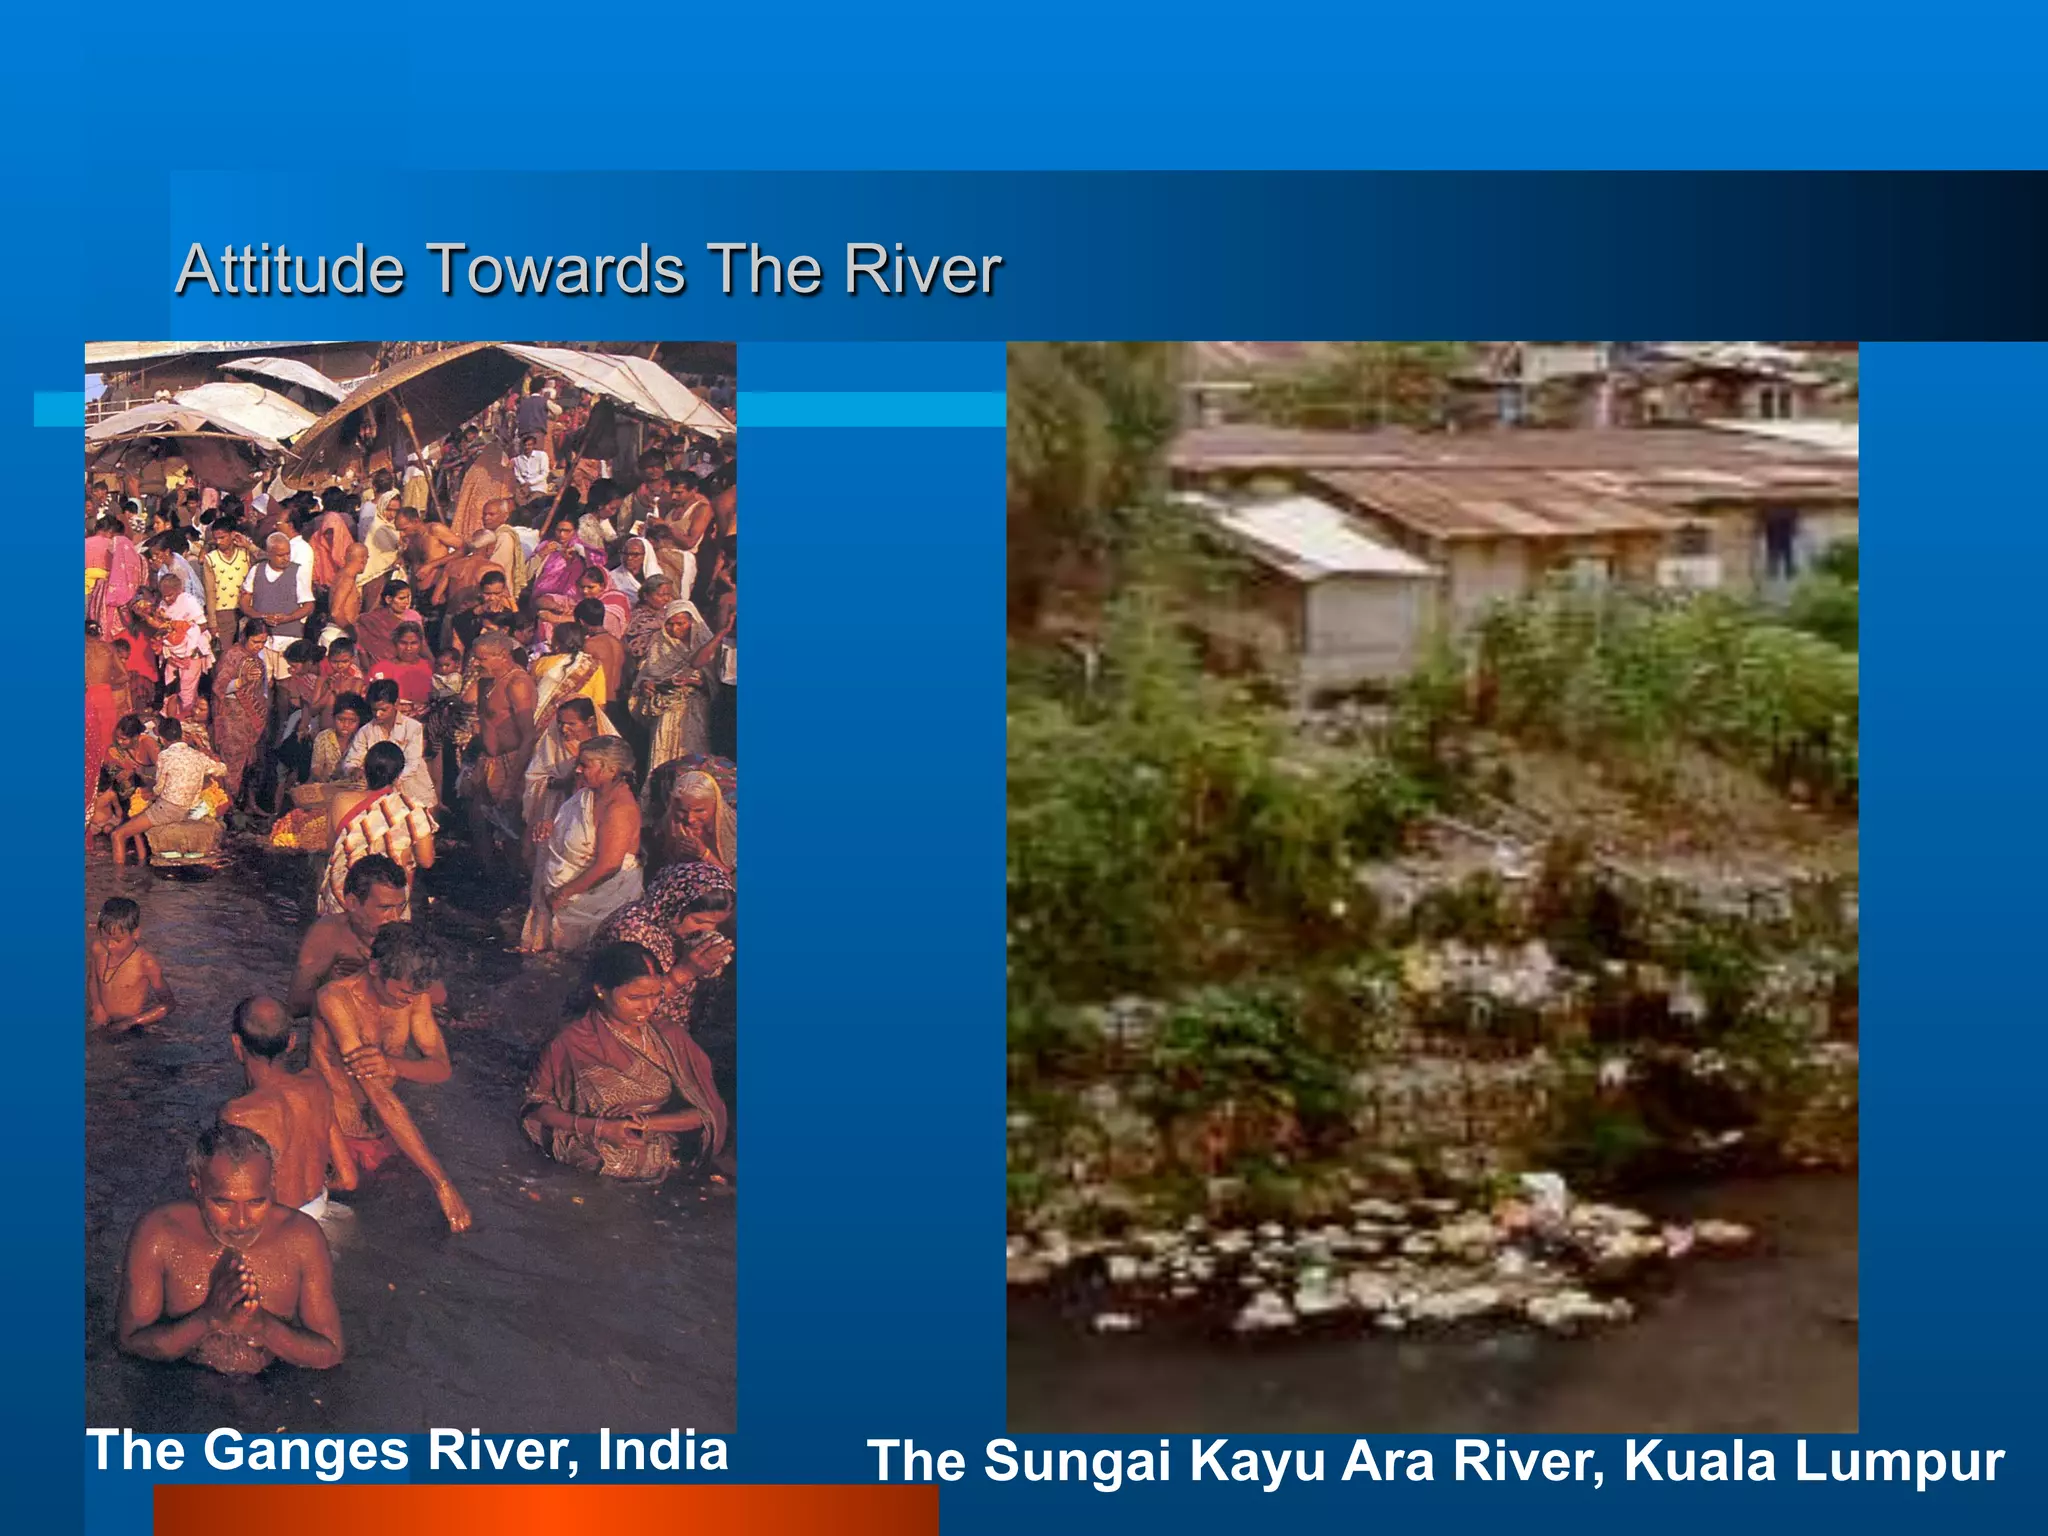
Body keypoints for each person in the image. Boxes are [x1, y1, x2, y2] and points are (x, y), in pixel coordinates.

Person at [115, 1122, 343, 1375]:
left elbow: (330, 1353)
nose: (242, 1221)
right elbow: (129, 1342)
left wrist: (262, 1327)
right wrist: (208, 1320)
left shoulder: (302, 1236)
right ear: (196, 1186)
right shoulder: (159, 1232)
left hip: (276, 1385)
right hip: (179, 1382)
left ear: (272, 1184)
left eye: (257, 1202)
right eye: (223, 1203)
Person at [312, 923, 472, 1232]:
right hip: (336, 1137)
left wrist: (394, 1065)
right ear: (374, 968)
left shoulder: (414, 997)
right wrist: (442, 1182)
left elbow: (441, 1067)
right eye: (403, 993)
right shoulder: (335, 1000)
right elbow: (380, 1096)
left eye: (416, 994)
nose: (409, 1001)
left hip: (382, 1134)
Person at [520, 941, 725, 1181]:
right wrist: (600, 1128)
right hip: (592, 1165)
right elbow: (535, 1109)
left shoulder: (670, 1037)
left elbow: (705, 1113)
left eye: (657, 994)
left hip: (667, 1161)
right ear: (600, 990)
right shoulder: (570, 1042)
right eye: (635, 997)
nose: (649, 1007)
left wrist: (646, 1124)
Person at [220, 996, 343, 1216]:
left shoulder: (238, 1114)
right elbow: (348, 1178)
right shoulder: (317, 1085)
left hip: (281, 1230)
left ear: (236, 1043)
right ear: (292, 1041)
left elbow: (236, 1201)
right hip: (322, 1209)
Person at [520, 737, 644, 954]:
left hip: (600, 902)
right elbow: (578, 825)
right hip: (566, 896)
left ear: (611, 770)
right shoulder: (588, 795)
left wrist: (563, 894)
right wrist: (553, 826)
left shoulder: (620, 809)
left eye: (585, 765)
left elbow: (608, 866)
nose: (577, 770)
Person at [594, 859, 735, 1043]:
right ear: (674, 905)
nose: (709, 930)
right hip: (627, 1031)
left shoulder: (679, 930)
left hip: (670, 1026)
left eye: (716, 924)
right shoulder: (632, 931)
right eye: (700, 921)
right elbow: (633, 1003)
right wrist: (687, 971)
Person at [319, 740, 437, 918]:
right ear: (398, 775)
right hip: (388, 901)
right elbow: (427, 860)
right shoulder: (411, 810)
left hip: (343, 896)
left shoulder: (340, 800)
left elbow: (330, 847)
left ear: (365, 771)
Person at [287, 853, 408, 1014]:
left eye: (400, 907)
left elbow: (438, 996)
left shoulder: (404, 935)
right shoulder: (330, 934)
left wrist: (368, 977)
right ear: (352, 903)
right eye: (384, 908)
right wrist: (339, 987)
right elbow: (295, 1005)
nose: (395, 917)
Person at [459, 631, 537, 860]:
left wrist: (511, 782)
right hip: (486, 760)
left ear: (503, 656)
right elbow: (466, 700)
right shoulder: (487, 680)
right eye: (475, 657)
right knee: (478, 820)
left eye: (481, 658)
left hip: (510, 761)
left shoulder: (517, 683)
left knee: (510, 827)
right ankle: (488, 877)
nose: (475, 663)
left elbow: (529, 736)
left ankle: (513, 883)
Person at [630, 599, 723, 775]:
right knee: (663, 754)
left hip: (695, 711)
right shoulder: (659, 644)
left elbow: (714, 683)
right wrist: (647, 685)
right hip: (666, 711)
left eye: (680, 623)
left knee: (693, 754)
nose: (674, 629)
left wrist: (694, 682)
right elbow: (645, 676)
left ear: (692, 622)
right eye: (670, 624)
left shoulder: (705, 644)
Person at [113, 717, 223, 866]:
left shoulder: (165, 756)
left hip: (169, 809)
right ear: (180, 734)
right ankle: (142, 859)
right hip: (192, 808)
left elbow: (159, 788)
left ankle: (119, 881)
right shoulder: (198, 756)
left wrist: (151, 791)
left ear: (163, 739)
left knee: (118, 835)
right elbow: (222, 769)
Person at [339, 678, 437, 808]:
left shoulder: (413, 728)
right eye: (374, 710)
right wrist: (353, 770)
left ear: (396, 703)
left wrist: (389, 783)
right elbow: (352, 759)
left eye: (383, 709)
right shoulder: (365, 731)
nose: (378, 714)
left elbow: (412, 764)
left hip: (413, 793)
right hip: (378, 797)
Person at [87, 896, 174, 1030]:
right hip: (102, 1020)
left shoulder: (145, 963)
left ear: (135, 934)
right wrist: (97, 1005)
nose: (110, 945)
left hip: (131, 1027)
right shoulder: (98, 948)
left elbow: (168, 1004)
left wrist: (130, 1023)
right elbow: (93, 979)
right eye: (105, 938)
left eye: (117, 940)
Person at [211, 618, 273, 802]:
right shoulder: (233, 656)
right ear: (245, 637)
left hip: (249, 720)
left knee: (249, 762)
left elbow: (261, 691)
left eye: (263, 642)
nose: (259, 646)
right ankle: (226, 805)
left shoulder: (257, 659)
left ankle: (243, 805)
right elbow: (219, 687)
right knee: (231, 762)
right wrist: (242, 681)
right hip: (232, 718)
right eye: (256, 642)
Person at [239, 533, 315, 656]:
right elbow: (244, 602)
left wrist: (288, 618)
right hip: (260, 641)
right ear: (269, 554)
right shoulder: (256, 570)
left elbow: (308, 605)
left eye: (288, 554)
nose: (286, 558)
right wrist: (261, 617)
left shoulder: (298, 572)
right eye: (281, 555)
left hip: (289, 639)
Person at [86, 631, 123, 830]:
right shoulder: (107, 648)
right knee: (105, 749)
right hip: (104, 696)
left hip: (86, 698)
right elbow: (123, 676)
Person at [354, 578, 424, 667]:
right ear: (388, 599)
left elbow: (422, 645)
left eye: (408, 597)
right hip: (381, 669)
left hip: (409, 667)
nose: (406, 602)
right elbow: (362, 650)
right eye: (402, 598)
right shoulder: (370, 620)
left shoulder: (414, 616)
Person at [574, 598, 628, 700]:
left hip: (597, 701)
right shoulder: (618, 643)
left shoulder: (589, 645)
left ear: (581, 622)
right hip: (615, 702)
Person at [309, 691, 366, 785]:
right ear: (333, 717)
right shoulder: (324, 737)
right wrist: (323, 781)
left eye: (352, 721)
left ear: (359, 721)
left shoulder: (362, 738)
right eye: (341, 719)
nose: (346, 725)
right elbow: (316, 769)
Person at [512, 433, 550, 499]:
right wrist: (524, 484)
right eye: (525, 445)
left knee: (532, 502)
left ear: (534, 445)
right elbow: (517, 475)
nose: (527, 447)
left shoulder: (542, 455)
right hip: (523, 488)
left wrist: (530, 483)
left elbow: (544, 473)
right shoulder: (518, 459)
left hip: (538, 488)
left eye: (529, 445)